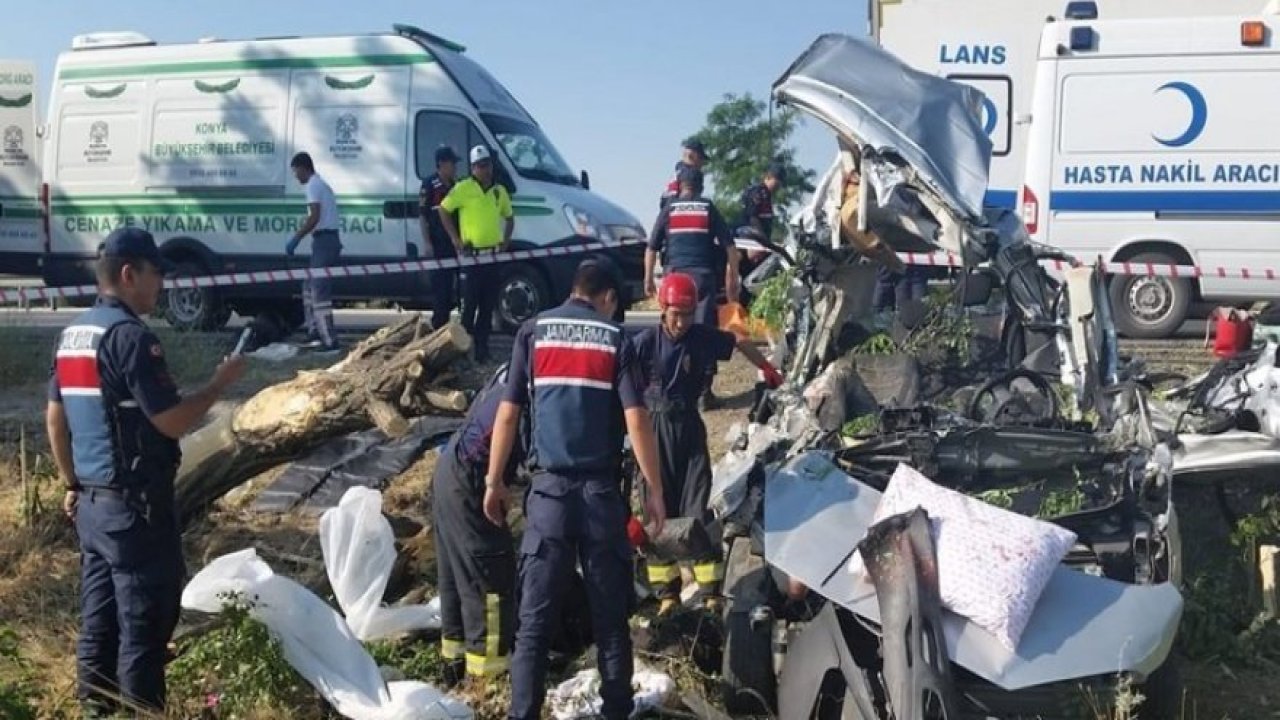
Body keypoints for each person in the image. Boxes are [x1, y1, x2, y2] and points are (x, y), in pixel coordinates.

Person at [46, 228, 245, 717]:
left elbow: (55, 417)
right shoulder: (131, 338)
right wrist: (219, 385)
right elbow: (172, 421)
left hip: (93, 507)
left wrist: (72, 483)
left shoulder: (75, 334)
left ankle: (95, 707)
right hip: (134, 509)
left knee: (100, 618)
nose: (162, 285)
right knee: (144, 624)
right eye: (157, 274)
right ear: (129, 274)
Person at [485, 260, 667, 720]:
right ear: (606, 296)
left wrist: (495, 481)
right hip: (600, 501)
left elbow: (507, 415)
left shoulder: (532, 331)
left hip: (548, 498)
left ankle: (522, 714)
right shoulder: (614, 339)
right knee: (611, 625)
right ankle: (616, 711)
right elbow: (636, 420)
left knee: (533, 628)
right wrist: (654, 489)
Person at [635, 272, 783, 615]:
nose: (682, 321)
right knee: (656, 512)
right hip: (653, 431)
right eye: (676, 314)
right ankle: (666, 593)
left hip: (689, 427)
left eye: (688, 314)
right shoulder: (644, 343)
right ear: (662, 307)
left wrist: (767, 368)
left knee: (697, 506)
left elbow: (737, 341)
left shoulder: (701, 337)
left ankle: (710, 590)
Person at [432, 363, 521, 686]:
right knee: (490, 579)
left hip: (451, 468)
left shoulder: (509, 369)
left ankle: (453, 666)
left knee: (456, 577)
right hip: (473, 481)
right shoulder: (531, 386)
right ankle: (487, 680)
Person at [645, 166, 738, 409]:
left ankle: (670, 385)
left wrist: (647, 279)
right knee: (703, 331)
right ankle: (704, 393)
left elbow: (651, 247)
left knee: (671, 331)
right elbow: (730, 247)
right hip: (702, 279)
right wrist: (733, 279)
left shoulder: (669, 209)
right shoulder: (708, 207)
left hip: (674, 280)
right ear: (701, 186)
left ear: (680, 185)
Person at [439, 145, 514, 364]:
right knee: (468, 308)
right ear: (472, 168)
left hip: (492, 257)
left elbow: (509, 218)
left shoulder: (499, 191)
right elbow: (443, 210)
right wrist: (455, 238)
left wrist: (505, 242)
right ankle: (461, 355)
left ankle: (482, 351)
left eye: (487, 164)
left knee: (487, 306)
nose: (485, 169)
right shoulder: (463, 188)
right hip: (471, 258)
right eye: (480, 165)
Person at [285, 151, 342, 352]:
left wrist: (296, 238)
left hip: (324, 241)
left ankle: (329, 340)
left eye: (295, 172)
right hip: (325, 241)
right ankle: (314, 330)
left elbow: (314, 217)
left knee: (319, 292)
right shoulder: (319, 184)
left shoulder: (313, 186)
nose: (295, 176)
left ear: (303, 168)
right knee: (308, 286)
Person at [420, 146, 462, 330]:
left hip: (454, 243)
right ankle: (438, 328)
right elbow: (423, 216)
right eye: (452, 163)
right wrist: (427, 242)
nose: (455, 168)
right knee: (440, 289)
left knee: (456, 289)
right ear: (442, 164)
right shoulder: (429, 185)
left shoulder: (456, 186)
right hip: (438, 243)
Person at [734, 163, 787, 303]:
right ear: (768, 177)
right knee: (753, 276)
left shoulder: (767, 196)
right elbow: (753, 218)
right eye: (777, 179)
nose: (779, 184)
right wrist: (763, 243)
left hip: (761, 242)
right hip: (750, 241)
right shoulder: (757, 192)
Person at [659, 138, 708, 210]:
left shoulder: (680, 170)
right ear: (692, 156)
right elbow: (686, 197)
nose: (702, 163)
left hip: (667, 209)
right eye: (700, 158)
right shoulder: (690, 172)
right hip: (677, 210)